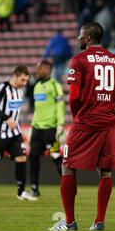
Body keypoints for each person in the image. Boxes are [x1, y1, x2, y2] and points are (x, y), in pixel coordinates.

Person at [51, 22, 115, 231]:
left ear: (89, 38)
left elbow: (74, 96)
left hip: (86, 121)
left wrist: (77, 118)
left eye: (80, 36)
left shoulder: (79, 60)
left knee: (67, 166)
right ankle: (99, 221)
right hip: (108, 122)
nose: (78, 39)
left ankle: (70, 222)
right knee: (105, 172)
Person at [0, 66, 36, 201]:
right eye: (23, 80)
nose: (24, 83)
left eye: (26, 80)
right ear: (15, 75)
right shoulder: (2, 88)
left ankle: (21, 192)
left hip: (14, 132)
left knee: (22, 159)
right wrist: (6, 118)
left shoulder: (21, 90)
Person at [29, 60, 65, 197]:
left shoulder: (55, 85)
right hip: (37, 128)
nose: (37, 72)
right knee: (33, 157)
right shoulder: (37, 86)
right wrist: (32, 125)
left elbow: (60, 106)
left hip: (50, 128)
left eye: (39, 69)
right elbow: (37, 109)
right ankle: (34, 189)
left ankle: (68, 186)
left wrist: (60, 124)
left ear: (47, 70)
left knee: (55, 155)